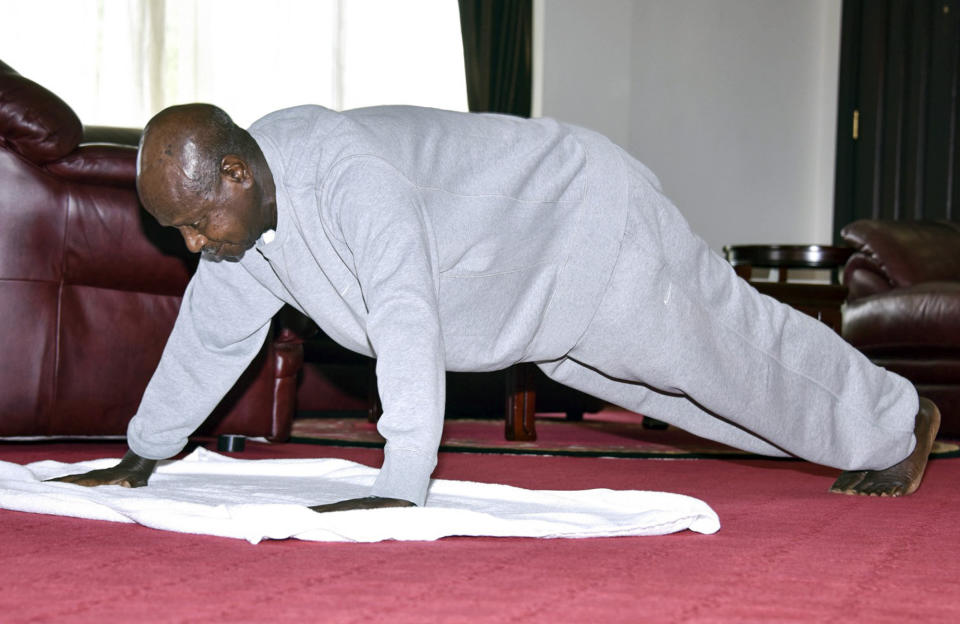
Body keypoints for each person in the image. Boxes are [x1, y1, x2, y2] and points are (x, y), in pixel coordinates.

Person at [51, 103, 940, 511]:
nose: (196, 244)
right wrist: (143, 452)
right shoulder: (247, 233)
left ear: (237, 172)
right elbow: (207, 337)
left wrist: (403, 480)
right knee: (702, 405)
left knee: (731, 357)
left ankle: (901, 419)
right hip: (536, 297)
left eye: (200, 221)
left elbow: (406, 315)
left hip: (588, 224)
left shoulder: (344, 175)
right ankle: (863, 434)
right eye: (181, 232)